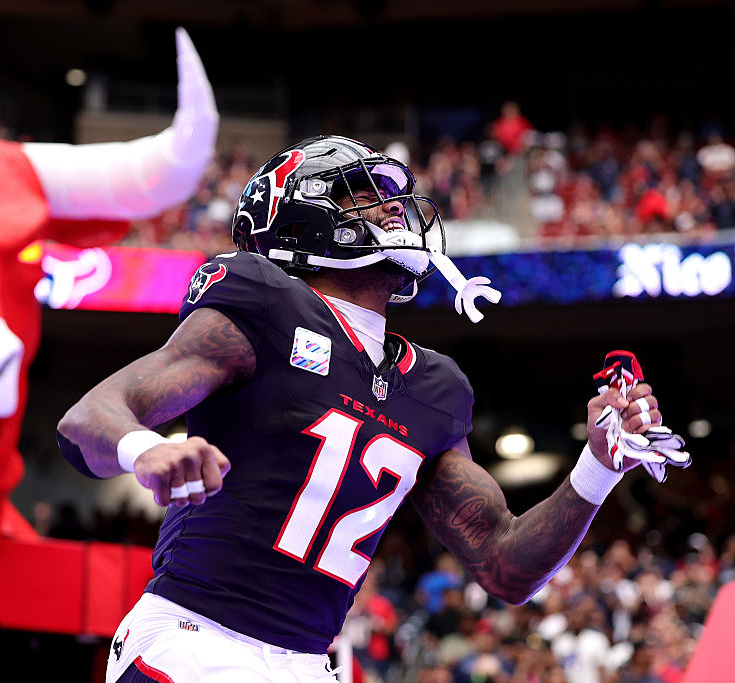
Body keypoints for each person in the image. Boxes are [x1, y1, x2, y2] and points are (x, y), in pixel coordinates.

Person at [56, 135, 679, 683]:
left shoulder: (434, 387)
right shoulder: (264, 306)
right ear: (297, 221)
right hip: (198, 642)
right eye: (364, 195)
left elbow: (504, 567)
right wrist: (149, 448)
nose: (393, 209)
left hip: (307, 663)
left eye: (393, 196)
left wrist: (597, 469)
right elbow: (88, 419)